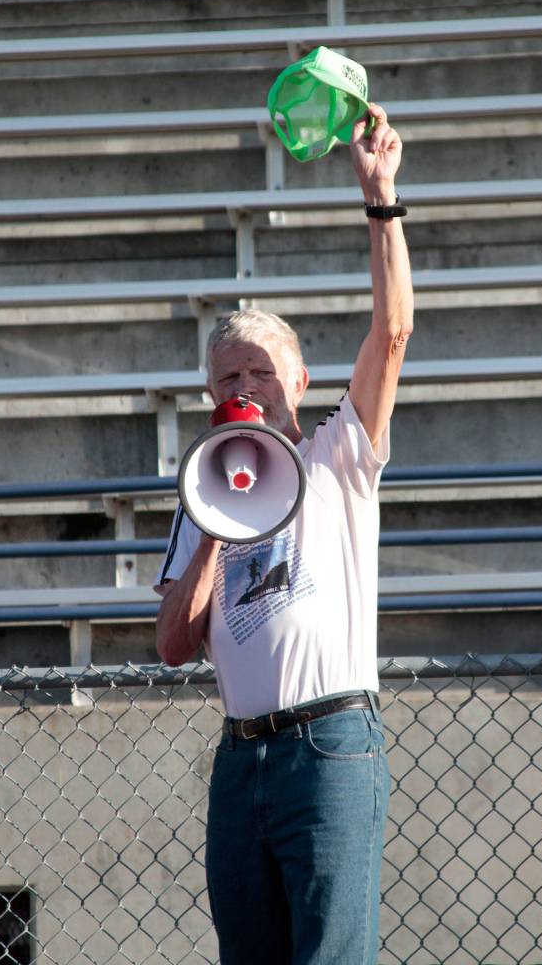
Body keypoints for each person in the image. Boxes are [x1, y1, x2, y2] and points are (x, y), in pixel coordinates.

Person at [154, 103, 413, 965]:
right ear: (208, 395)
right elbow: (171, 645)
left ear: (297, 380)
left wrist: (380, 199)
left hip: (328, 744)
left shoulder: (338, 454)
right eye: (227, 375)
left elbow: (394, 332)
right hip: (240, 760)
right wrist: (215, 526)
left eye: (261, 369)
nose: (245, 384)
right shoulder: (201, 497)